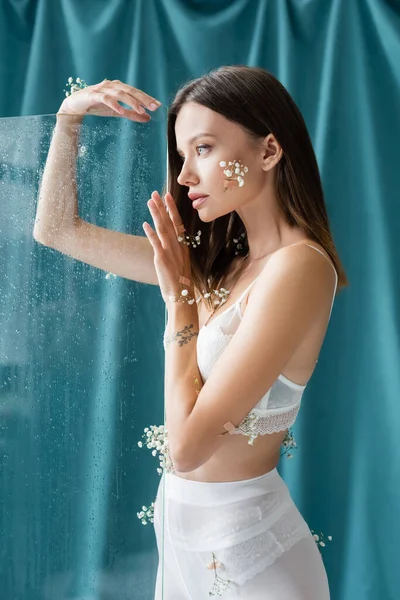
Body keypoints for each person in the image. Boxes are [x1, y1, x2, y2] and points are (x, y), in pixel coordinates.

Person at [34, 66, 348, 599]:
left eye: (202, 148)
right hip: (185, 550)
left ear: (269, 150)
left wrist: (179, 303)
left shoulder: (300, 269)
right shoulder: (214, 268)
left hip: (255, 563)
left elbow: (186, 448)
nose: (183, 177)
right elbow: (55, 229)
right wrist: (69, 119)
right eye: (180, 156)